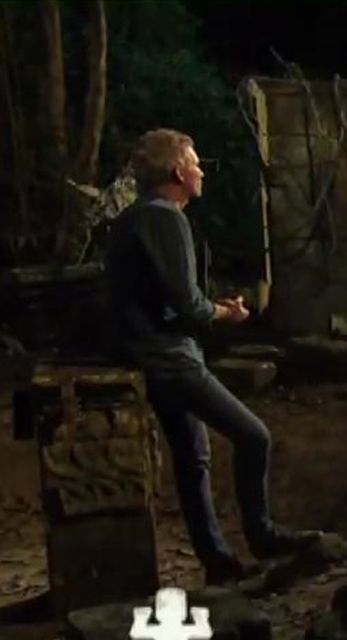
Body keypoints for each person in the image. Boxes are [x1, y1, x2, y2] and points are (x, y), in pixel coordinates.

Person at [105, 129, 320, 586]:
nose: (202, 171)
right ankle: (261, 536)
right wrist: (226, 313)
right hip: (169, 357)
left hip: (150, 353)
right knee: (254, 437)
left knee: (194, 459)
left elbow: (160, 296)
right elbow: (188, 305)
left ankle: (219, 563)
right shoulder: (165, 218)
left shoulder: (136, 217)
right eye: (195, 162)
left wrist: (208, 307)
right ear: (177, 171)